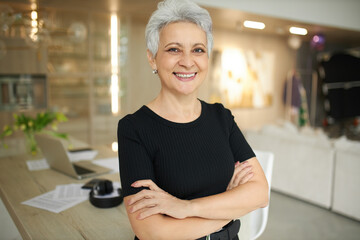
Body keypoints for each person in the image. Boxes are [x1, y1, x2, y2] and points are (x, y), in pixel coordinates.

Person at [117, 0, 269, 239]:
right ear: (152, 58)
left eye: (198, 50)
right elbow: (152, 232)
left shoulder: (222, 117)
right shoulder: (134, 128)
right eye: (174, 49)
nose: (187, 61)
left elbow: (260, 194)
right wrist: (230, 206)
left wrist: (183, 207)